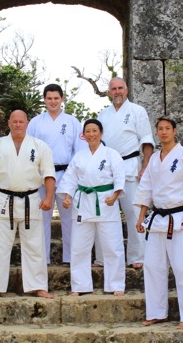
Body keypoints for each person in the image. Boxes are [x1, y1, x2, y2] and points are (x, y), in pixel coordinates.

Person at [135, 116, 183, 330]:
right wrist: (141, 215)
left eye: (167, 128)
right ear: (157, 133)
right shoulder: (154, 159)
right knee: (153, 267)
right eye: (160, 129)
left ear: (174, 131)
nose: (163, 132)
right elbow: (146, 188)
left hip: (180, 218)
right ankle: (156, 313)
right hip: (157, 220)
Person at [0, 110, 56, 300]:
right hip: (4, 199)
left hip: (31, 200)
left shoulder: (40, 146)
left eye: (21, 121)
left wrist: (48, 198)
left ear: (27, 123)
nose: (18, 125)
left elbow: (49, 174)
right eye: (15, 121)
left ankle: (38, 286)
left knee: (35, 245)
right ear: (9, 123)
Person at [58, 119, 126, 296]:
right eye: (87, 131)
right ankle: (80, 285)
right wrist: (68, 197)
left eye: (94, 131)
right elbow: (70, 179)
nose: (91, 134)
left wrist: (115, 196)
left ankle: (116, 284)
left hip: (105, 202)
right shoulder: (79, 156)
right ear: (83, 135)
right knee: (79, 247)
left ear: (101, 133)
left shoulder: (111, 154)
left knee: (112, 245)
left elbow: (119, 177)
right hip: (83, 204)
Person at [95, 77, 155, 269]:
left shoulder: (137, 111)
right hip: (107, 168)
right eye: (113, 89)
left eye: (120, 88)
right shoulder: (103, 114)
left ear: (127, 90)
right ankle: (103, 258)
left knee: (134, 212)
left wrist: (145, 165)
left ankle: (138, 256)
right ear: (109, 92)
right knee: (104, 213)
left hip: (130, 166)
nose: (117, 92)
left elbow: (146, 139)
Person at [27, 83, 86, 265]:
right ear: (44, 100)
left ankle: (70, 257)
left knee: (69, 217)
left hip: (66, 173)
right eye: (49, 98)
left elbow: (79, 150)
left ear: (62, 99)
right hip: (42, 174)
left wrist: (73, 175)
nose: (53, 102)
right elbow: (29, 149)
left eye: (56, 98)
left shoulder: (72, 122)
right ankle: (42, 258)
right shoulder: (36, 122)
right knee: (41, 217)